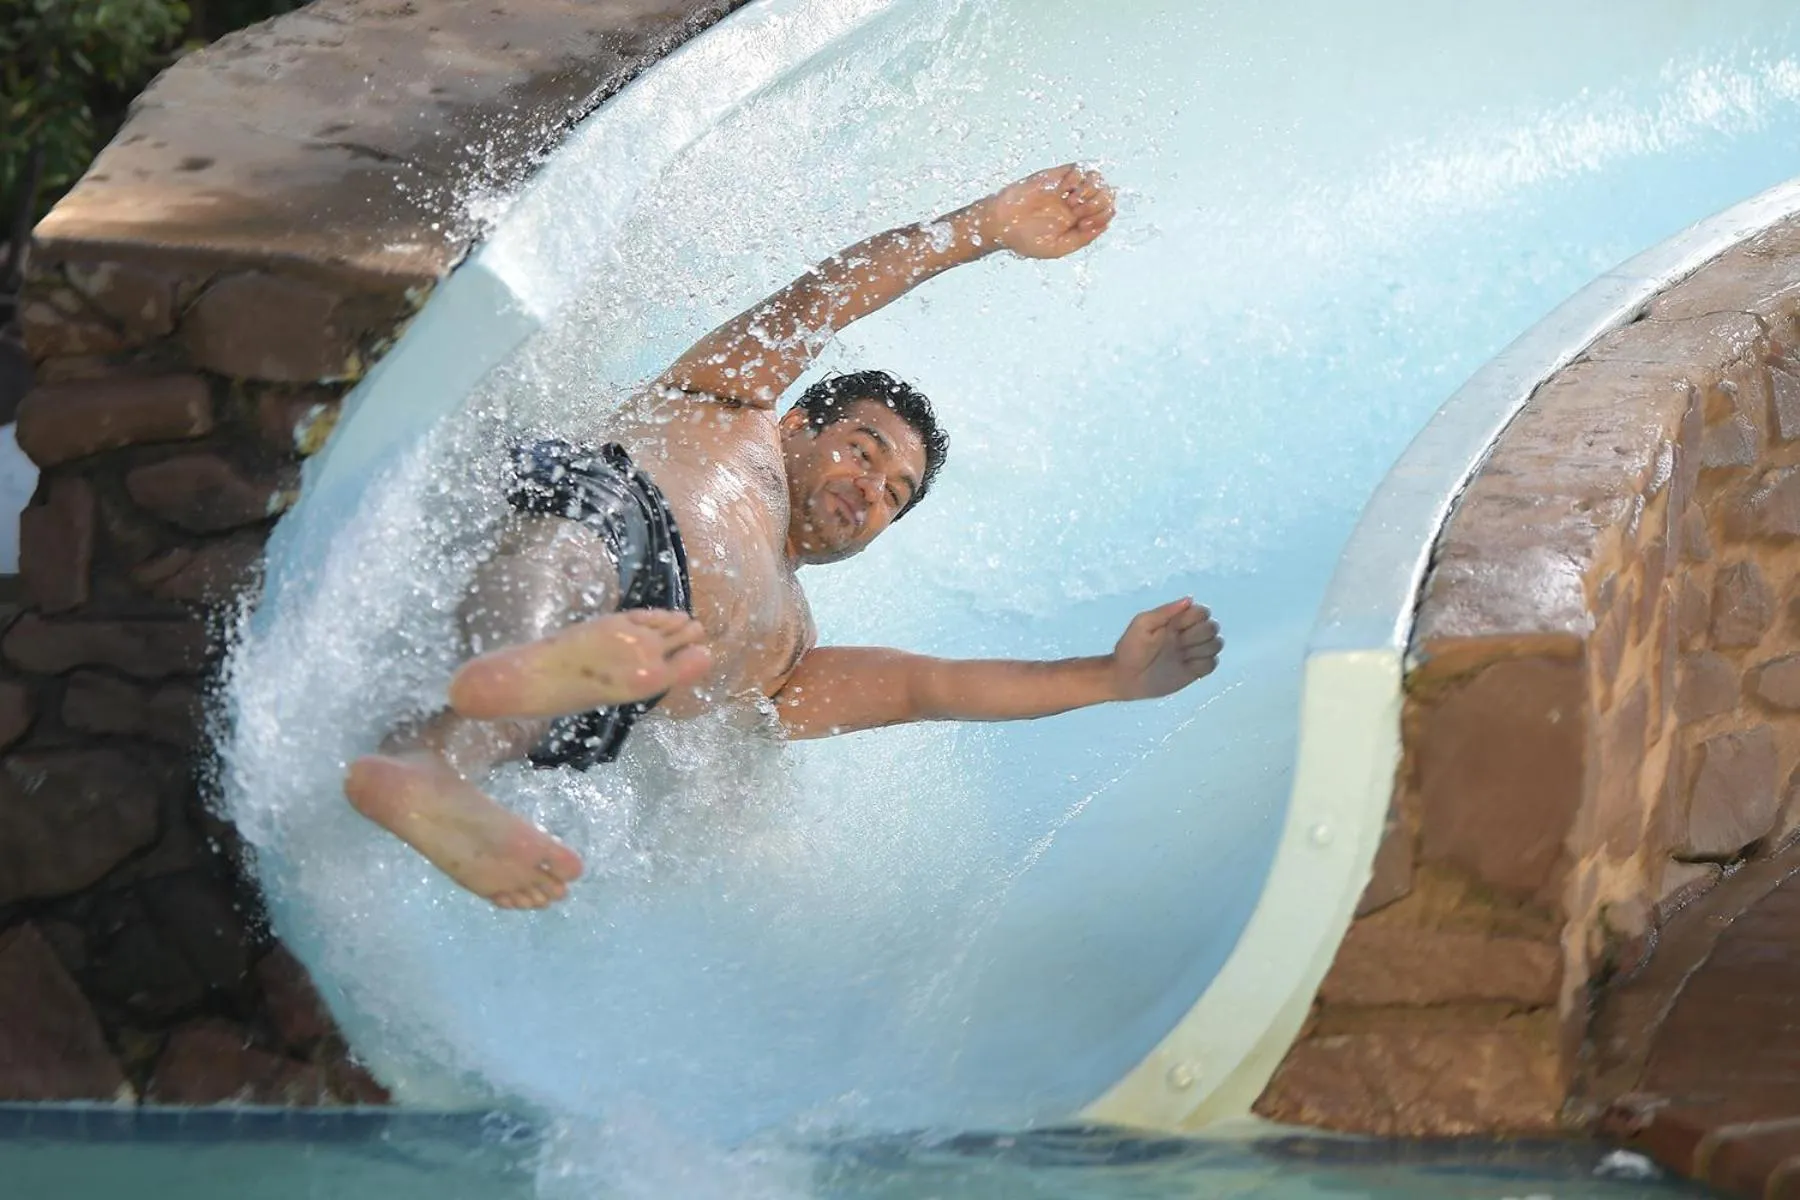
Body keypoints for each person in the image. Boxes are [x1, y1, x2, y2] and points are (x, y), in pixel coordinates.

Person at [344, 164, 1224, 910]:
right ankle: (519, 664)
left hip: (622, 680)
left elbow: (931, 687)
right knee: (569, 559)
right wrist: (983, 228)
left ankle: (424, 767)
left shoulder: (791, 646)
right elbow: (827, 297)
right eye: (862, 450)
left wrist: (1110, 679)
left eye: (894, 494)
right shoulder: (731, 404)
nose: (870, 488)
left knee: (574, 708)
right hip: (614, 517)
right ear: (804, 422)